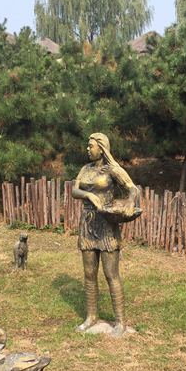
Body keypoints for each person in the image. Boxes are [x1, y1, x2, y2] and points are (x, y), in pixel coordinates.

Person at [71, 132, 138, 336]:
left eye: (90, 146)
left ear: (101, 149)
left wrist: (129, 203)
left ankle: (120, 322)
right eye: (88, 145)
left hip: (107, 224)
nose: (87, 149)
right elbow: (74, 191)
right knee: (89, 274)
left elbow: (132, 189)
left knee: (111, 274)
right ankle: (91, 316)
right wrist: (89, 195)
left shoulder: (113, 170)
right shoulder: (85, 169)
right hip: (88, 223)